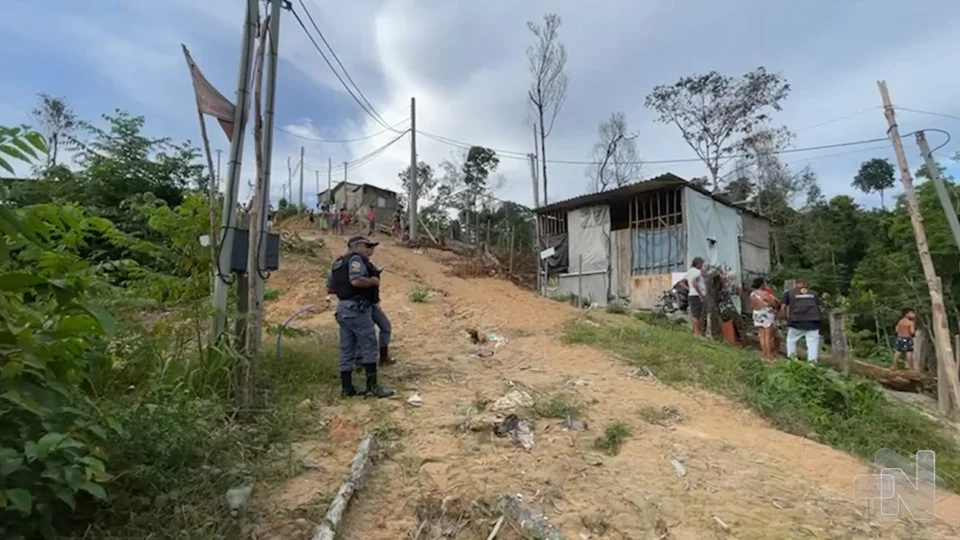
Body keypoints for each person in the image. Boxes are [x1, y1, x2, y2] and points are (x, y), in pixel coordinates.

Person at [325, 236, 394, 398]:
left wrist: (346, 291)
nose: (369, 250)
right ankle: (372, 387)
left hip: (343, 308)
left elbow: (330, 288)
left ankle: (347, 388)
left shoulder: (338, 263)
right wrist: (373, 281)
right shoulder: (356, 260)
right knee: (369, 345)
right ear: (358, 246)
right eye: (367, 246)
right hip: (357, 309)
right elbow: (356, 280)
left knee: (346, 348)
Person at [780, 279, 821, 363]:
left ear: (797, 284)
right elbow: (817, 306)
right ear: (806, 284)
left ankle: (792, 361)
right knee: (812, 343)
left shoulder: (789, 293)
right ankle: (812, 364)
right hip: (812, 321)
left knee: (791, 341)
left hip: (796, 320)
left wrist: (784, 318)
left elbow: (783, 307)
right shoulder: (814, 293)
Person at [750, 277, 779, 360]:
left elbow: (752, 306)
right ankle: (769, 355)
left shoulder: (752, 294)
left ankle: (764, 353)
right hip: (766, 314)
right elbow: (774, 304)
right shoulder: (765, 294)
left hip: (756, 313)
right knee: (767, 335)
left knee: (761, 335)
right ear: (762, 284)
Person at [685, 257, 707, 337]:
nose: (702, 266)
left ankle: (695, 332)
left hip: (692, 294)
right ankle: (698, 334)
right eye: (702, 264)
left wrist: (689, 289)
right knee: (698, 315)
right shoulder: (698, 272)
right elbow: (694, 282)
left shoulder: (689, 271)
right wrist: (700, 294)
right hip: (697, 295)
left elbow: (682, 282)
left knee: (695, 314)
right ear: (698, 263)